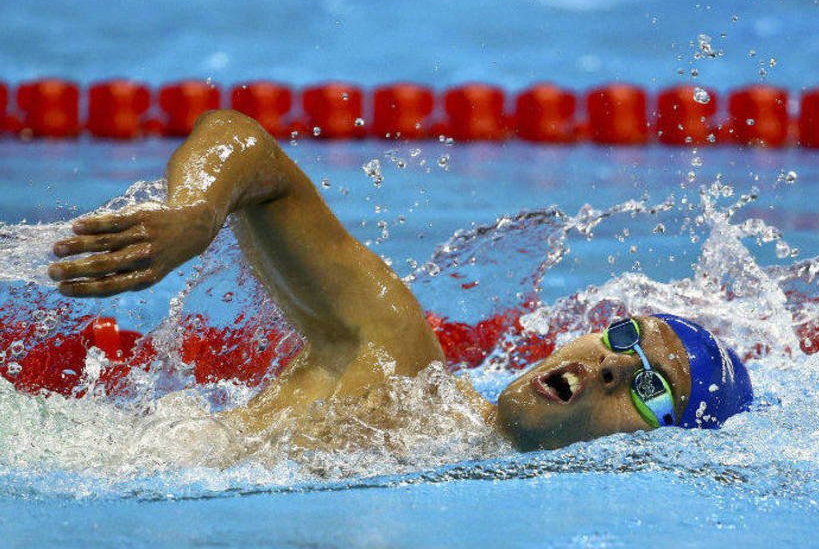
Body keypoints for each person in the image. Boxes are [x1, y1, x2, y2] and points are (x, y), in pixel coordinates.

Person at [46, 109, 753, 452]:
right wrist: (196, 211)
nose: (607, 367)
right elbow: (247, 147)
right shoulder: (396, 365)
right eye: (624, 339)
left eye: (650, 387)